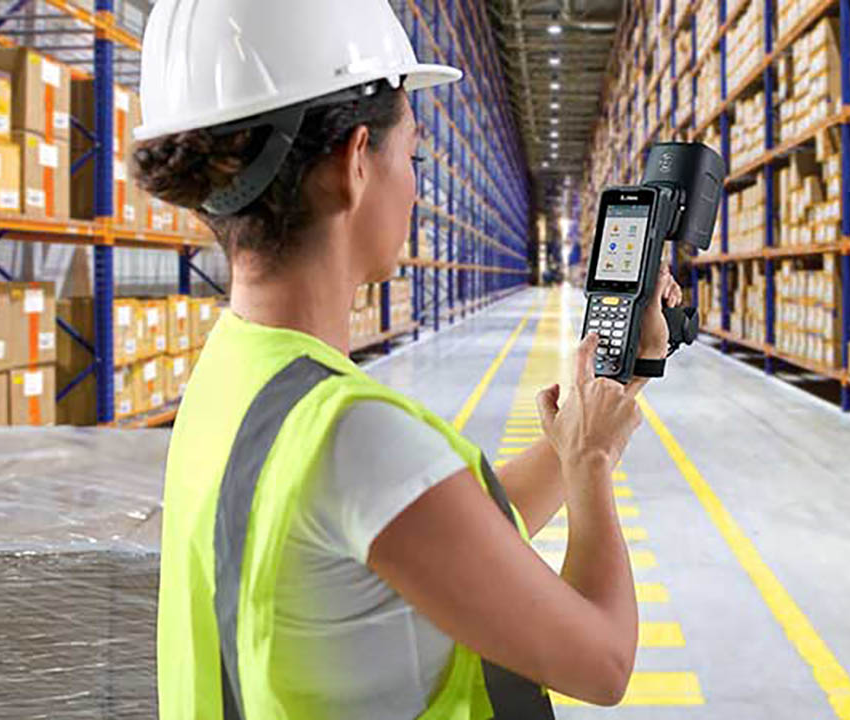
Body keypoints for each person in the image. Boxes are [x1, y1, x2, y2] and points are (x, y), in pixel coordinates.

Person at [134, 1, 683, 717]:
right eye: (413, 154)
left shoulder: (238, 370)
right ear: (354, 163)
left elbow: (446, 537)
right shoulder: (354, 435)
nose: (418, 184)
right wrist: (590, 466)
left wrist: (610, 390)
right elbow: (603, 662)